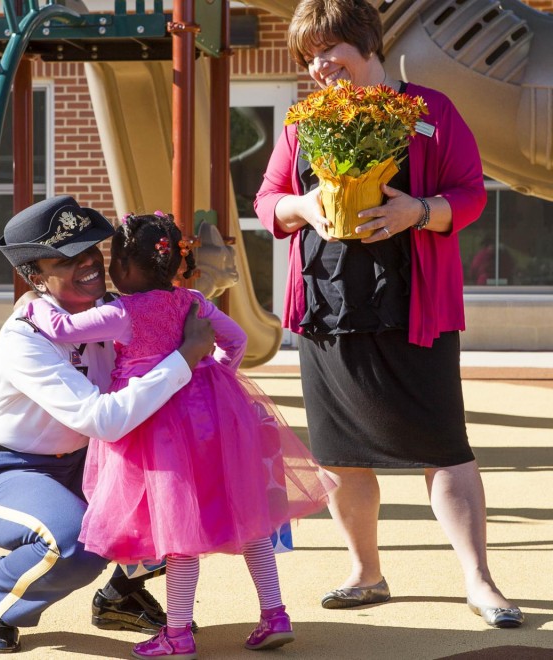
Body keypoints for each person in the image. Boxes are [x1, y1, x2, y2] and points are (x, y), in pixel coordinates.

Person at [254, 0, 524, 629]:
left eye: (328, 49)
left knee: (444, 448)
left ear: (366, 43)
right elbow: (268, 200)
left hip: (413, 306)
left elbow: (469, 192)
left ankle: (480, 582)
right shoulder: (303, 122)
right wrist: (303, 206)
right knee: (338, 455)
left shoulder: (430, 113)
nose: (319, 66)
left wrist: (419, 211)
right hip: (327, 307)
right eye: (309, 56)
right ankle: (365, 572)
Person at [25, 212, 334, 658]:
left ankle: (178, 633)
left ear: (129, 269)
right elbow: (238, 342)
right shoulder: (194, 302)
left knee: (179, 529)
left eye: (115, 262)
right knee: (248, 517)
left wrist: (35, 301)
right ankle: (275, 615)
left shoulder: (121, 312)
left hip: (160, 430)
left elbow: (61, 329)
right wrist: (216, 382)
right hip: (215, 421)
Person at [0, 196, 215, 653]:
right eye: (67, 257)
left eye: (91, 248)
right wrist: (184, 358)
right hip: (7, 469)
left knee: (193, 502)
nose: (88, 262)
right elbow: (102, 420)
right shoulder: (25, 336)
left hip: (88, 463)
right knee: (76, 543)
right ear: (36, 276)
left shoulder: (122, 311)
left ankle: (120, 596)